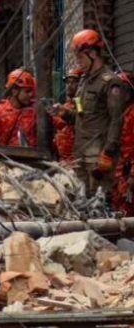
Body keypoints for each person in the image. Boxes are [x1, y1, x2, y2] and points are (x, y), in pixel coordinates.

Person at [62, 29, 128, 197]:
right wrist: (63, 113)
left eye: (80, 57)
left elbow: (116, 120)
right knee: (80, 204)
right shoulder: (84, 82)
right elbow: (80, 115)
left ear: (93, 53)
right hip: (80, 155)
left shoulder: (110, 81)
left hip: (98, 158)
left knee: (98, 207)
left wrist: (108, 152)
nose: (79, 62)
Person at [112, 71, 134, 215]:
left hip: (129, 174)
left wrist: (132, 176)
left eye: (119, 89)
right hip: (121, 172)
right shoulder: (122, 113)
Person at [51, 68, 82, 164]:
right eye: (68, 82)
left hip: (76, 159)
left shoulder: (80, 103)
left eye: (73, 82)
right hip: (61, 159)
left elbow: (80, 118)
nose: (69, 86)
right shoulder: (65, 105)